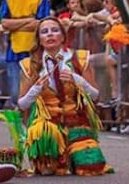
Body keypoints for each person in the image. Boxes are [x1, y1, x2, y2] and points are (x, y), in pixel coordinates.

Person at [16, 18, 110, 176]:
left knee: (90, 167)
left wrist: (77, 80)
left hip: (76, 121)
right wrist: (36, 89)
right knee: (49, 168)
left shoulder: (79, 58)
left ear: (63, 36)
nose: (50, 34)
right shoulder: (30, 64)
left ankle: (74, 155)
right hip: (48, 124)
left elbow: (95, 96)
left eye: (55, 30)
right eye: (44, 32)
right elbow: (22, 104)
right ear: (39, 39)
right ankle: (54, 157)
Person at [0, 0, 52, 107]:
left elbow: (41, 23)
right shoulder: (8, 0)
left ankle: (33, 119)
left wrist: (15, 24)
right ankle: (22, 118)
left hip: (35, 51)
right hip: (14, 52)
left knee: (33, 91)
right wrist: (29, 20)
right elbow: (4, 23)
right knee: (15, 93)